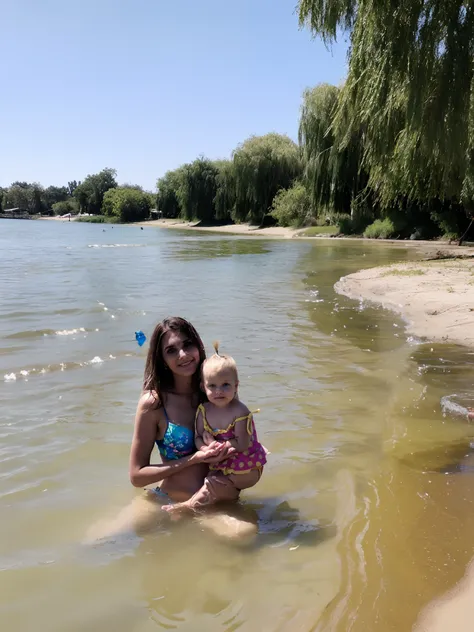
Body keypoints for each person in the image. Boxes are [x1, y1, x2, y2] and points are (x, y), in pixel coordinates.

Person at [87, 317, 258, 542]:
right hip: (168, 500)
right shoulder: (153, 403)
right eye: (171, 350)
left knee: (245, 535)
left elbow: (246, 447)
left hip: (215, 499)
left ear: (198, 346)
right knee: (96, 542)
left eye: (188, 345)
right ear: (162, 359)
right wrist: (194, 459)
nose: (183, 355)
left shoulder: (216, 390)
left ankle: (196, 515)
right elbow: (137, 476)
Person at [163, 342, 266, 517]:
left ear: (236, 386)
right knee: (214, 486)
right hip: (222, 462)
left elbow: (242, 443)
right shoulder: (203, 410)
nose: (219, 391)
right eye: (212, 386)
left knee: (213, 483)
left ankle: (188, 506)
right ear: (204, 387)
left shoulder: (240, 412)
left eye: (226, 385)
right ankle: (208, 509)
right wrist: (205, 448)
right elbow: (198, 437)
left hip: (246, 467)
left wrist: (216, 444)